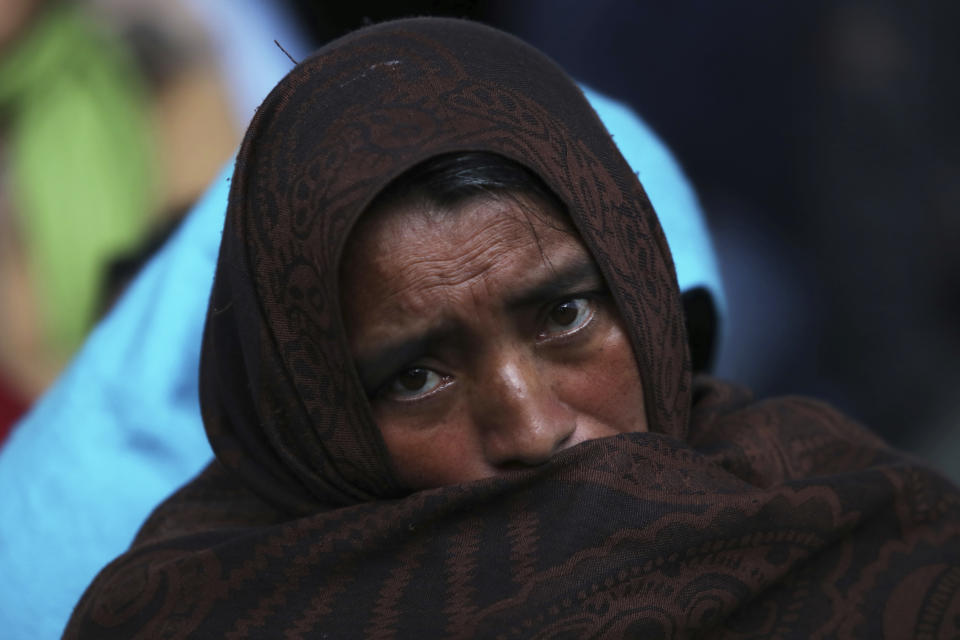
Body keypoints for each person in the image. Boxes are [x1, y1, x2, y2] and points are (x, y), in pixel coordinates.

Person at [64, 17, 959, 638]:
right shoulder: (187, 613)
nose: (533, 430)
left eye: (567, 316)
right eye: (416, 377)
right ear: (311, 421)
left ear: (644, 299)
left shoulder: (841, 522)